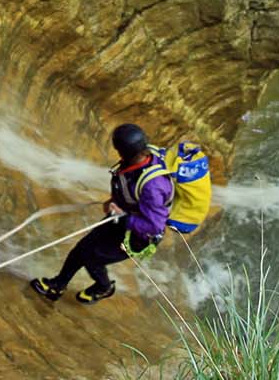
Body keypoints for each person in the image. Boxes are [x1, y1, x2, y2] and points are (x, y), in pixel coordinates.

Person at [30, 124, 173, 304]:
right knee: (82, 247)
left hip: (137, 236)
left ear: (123, 152)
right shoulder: (141, 158)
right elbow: (130, 187)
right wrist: (116, 202)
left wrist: (122, 217)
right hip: (122, 217)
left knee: (93, 257)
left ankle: (104, 287)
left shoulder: (153, 187)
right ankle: (58, 284)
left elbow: (154, 226)